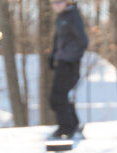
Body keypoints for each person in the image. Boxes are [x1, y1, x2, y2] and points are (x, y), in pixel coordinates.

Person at [48, 0, 88, 138]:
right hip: (62, 61)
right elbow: (57, 40)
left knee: (57, 97)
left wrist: (73, 59)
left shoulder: (73, 16)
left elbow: (82, 41)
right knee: (61, 96)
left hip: (70, 63)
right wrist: (53, 56)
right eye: (53, 3)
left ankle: (66, 128)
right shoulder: (61, 18)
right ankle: (73, 125)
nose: (56, 5)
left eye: (59, 2)